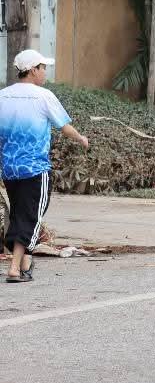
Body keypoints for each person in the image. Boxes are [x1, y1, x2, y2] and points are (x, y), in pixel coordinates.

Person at [1, 50, 89, 283]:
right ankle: (14, 268)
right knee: (31, 215)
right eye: (42, 68)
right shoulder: (43, 96)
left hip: (9, 169)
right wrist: (81, 138)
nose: (45, 72)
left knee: (20, 212)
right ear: (32, 70)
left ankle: (26, 262)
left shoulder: (3, 96)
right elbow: (64, 126)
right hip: (35, 169)